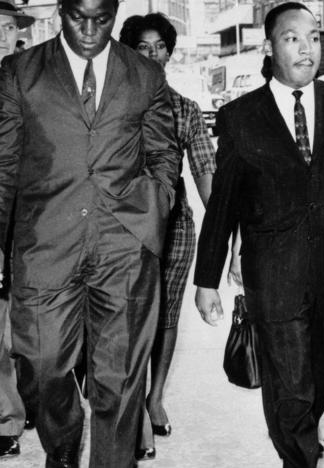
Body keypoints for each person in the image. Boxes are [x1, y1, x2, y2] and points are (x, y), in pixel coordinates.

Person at [0, 0, 182, 466]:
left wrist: (154, 210)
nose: (90, 29)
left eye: (102, 18)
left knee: (120, 376)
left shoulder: (145, 75)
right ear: (59, 12)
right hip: (46, 242)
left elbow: (163, 153)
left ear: (115, 12)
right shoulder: (20, 72)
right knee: (43, 364)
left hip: (125, 245)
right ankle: (64, 447)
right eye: (78, 17)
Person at [194, 3, 324, 467]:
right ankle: (298, 458)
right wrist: (206, 280)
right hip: (272, 272)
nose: (307, 48)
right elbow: (223, 205)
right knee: (290, 384)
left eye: (314, 37)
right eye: (292, 38)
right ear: (269, 46)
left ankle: (300, 440)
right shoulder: (240, 117)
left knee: (322, 372)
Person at [118, 12, 230, 461]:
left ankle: (155, 397)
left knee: (164, 317)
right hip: (119, 229)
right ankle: (132, 411)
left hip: (174, 228)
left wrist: (225, 224)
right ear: (128, 52)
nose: (152, 55)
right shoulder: (110, 104)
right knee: (125, 321)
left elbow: (205, 168)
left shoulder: (183, 108)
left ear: (169, 52)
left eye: (159, 47)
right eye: (142, 47)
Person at [0, 1, 34, 458]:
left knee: (31, 323)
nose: (1, 35)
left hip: (32, 221)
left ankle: (33, 395)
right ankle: (5, 420)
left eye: (7, 27)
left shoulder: (28, 80)